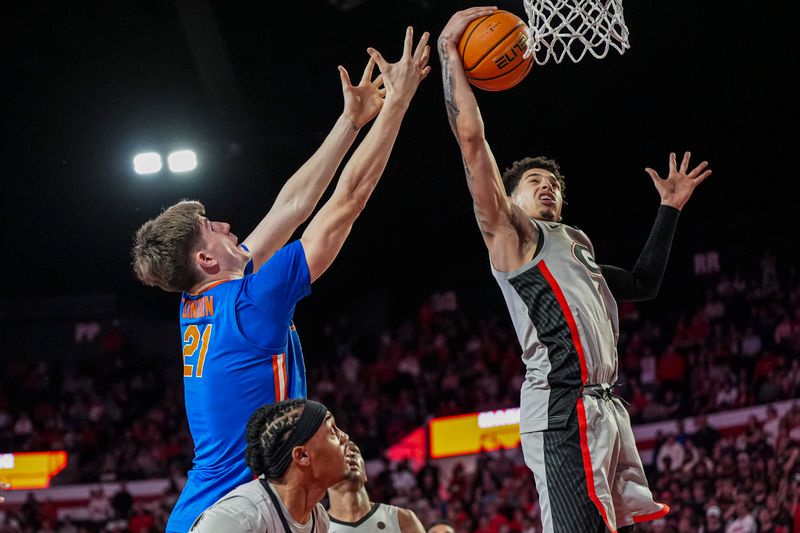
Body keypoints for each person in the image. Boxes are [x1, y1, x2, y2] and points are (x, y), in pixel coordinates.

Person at [132, 27, 431, 532]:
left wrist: (350, 121)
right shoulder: (250, 305)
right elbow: (346, 202)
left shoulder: (200, 301)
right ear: (206, 261)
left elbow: (290, 206)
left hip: (223, 505)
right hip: (237, 513)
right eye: (214, 229)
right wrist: (399, 102)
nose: (228, 227)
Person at [437, 7, 711, 533]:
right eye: (534, 180)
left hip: (606, 408)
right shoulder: (513, 235)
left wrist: (669, 210)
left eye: (553, 182)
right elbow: (472, 144)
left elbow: (644, 283)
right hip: (561, 409)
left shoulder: (577, 245)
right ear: (509, 197)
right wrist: (452, 55)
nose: (546, 186)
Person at [189, 399, 349, 532]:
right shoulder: (239, 518)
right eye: (333, 432)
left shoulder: (318, 518)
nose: (345, 437)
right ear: (302, 455)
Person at [327, 441, 425, 533]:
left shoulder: (402, 519)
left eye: (355, 451)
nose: (350, 454)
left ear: (365, 473)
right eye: (340, 453)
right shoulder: (318, 528)